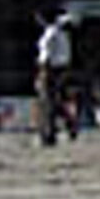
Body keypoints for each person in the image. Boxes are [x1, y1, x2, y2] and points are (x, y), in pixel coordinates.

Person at [33, 9, 77, 147]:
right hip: (61, 68)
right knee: (56, 100)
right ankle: (68, 124)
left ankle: (49, 134)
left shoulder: (51, 33)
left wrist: (42, 71)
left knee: (47, 102)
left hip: (50, 69)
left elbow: (45, 54)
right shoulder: (63, 35)